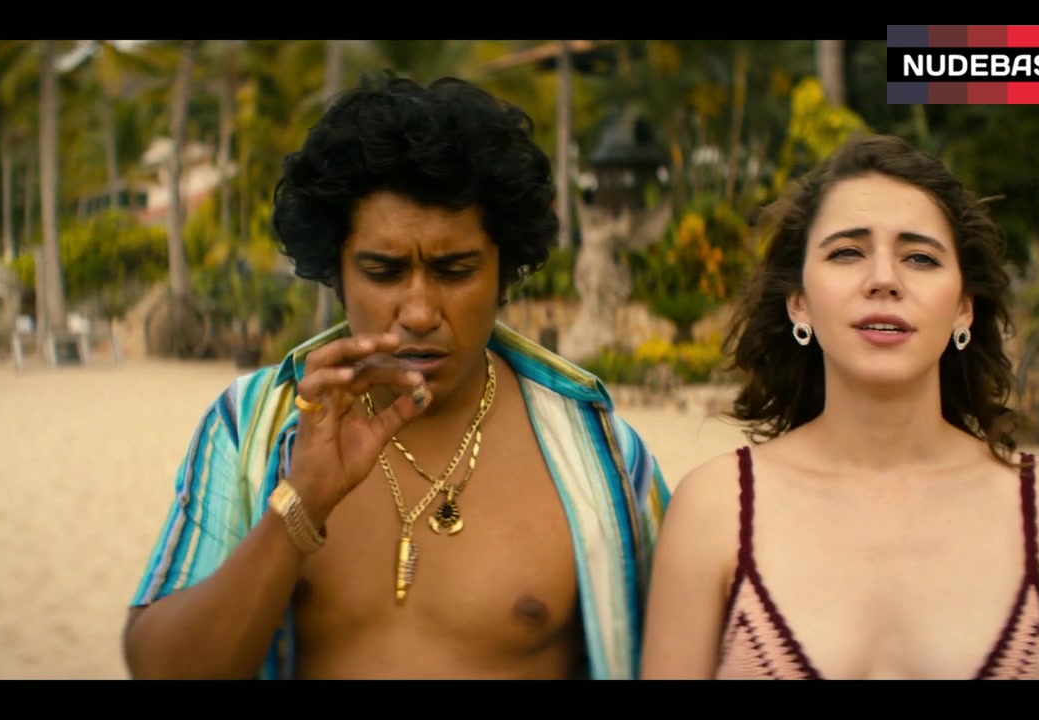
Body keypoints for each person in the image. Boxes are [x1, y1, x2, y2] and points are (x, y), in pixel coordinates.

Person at [122, 71, 669, 680]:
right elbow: (160, 669)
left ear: (504, 272)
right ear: (336, 274)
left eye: (455, 271)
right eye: (383, 272)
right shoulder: (248, 425)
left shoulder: (603, 455)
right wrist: (299, 506)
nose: (418, 312)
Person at [639, 134, 1039, 680]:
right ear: (798, 302)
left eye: (920, 258)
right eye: (847, 252)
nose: (884, 279)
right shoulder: (712, 511)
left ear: (964, 308)